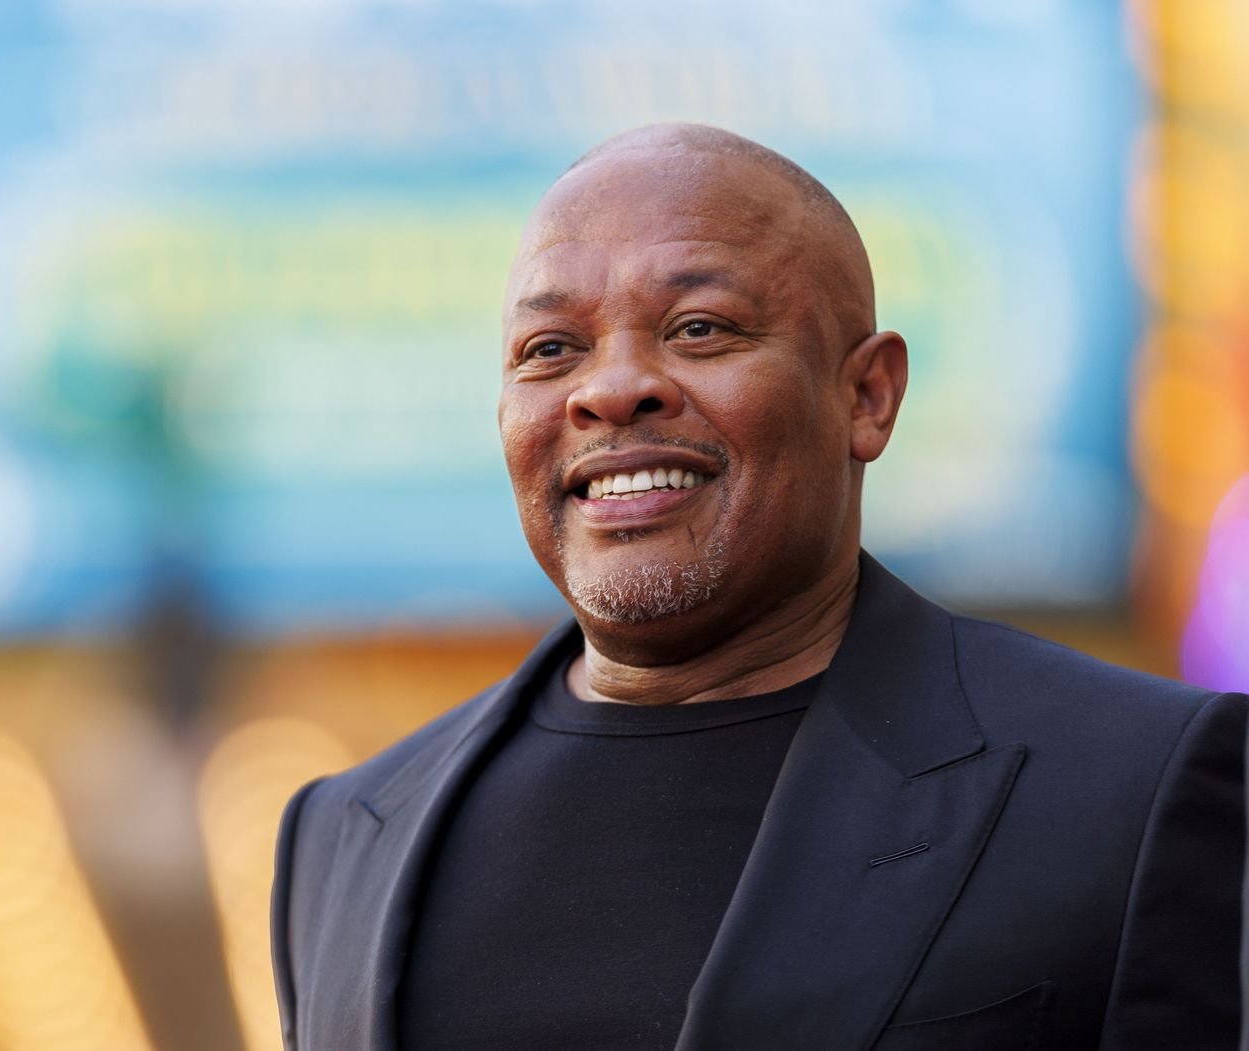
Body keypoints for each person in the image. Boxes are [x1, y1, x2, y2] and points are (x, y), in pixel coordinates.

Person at [269, 124, 1247, 1051]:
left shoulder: (1135, 782)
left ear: (867, 395)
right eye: (551, 348)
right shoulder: (344, 834)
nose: (610, 389)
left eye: (699, 328)